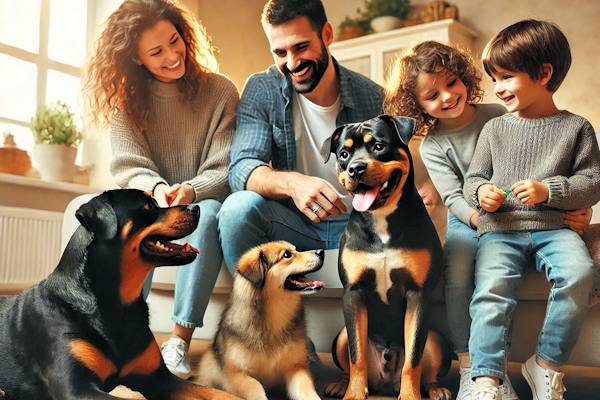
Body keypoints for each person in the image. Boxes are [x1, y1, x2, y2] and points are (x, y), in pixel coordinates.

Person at [384, 40, 593, 400]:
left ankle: (518, 367)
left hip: (523, 213)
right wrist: (481, 218)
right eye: (432, 95)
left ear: (465, 78)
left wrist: (576, 205)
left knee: (567, 269)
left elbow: (551, 166)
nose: (448, 97)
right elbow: (453, 196)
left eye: (452, 83)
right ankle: (472, 367)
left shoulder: (501, 113)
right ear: (417, 106)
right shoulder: (434, 145)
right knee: (459, 268)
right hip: (471, 218)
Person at [84, 0, 239, 380]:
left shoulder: (220, 92)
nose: (173, 56)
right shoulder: (126, 104)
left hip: (203, 202)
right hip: (153, 201)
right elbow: (128, 164)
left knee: (205, 217)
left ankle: (179, 343)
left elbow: (224, 165)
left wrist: (190, 190)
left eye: (174, 41)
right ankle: (120, 337)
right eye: (157, 52)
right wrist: (156, 189)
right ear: (135, 59)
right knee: (132, 219)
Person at [463, 20, 600, 400]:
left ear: (544, 73)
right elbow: (473, 179)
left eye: (507, 77)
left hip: (555, 229)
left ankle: (546, 366)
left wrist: (549, 190)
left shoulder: (577, 128)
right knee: (490, 290)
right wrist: (482, 193)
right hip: (500, 230)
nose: (498, 87)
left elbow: (593, 182)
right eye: (495, 78)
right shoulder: (494, 130)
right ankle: (486, 380)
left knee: (579, 274)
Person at [217, 0, 383, 271]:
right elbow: (242, 168)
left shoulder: (373, 97)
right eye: (280, 52)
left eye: (301, 47)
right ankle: (253, 310)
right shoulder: (262, 89)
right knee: (237, 209)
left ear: (326, 35)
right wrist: (295, 184)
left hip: (360, 227)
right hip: (294, 227)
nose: (292, 63)